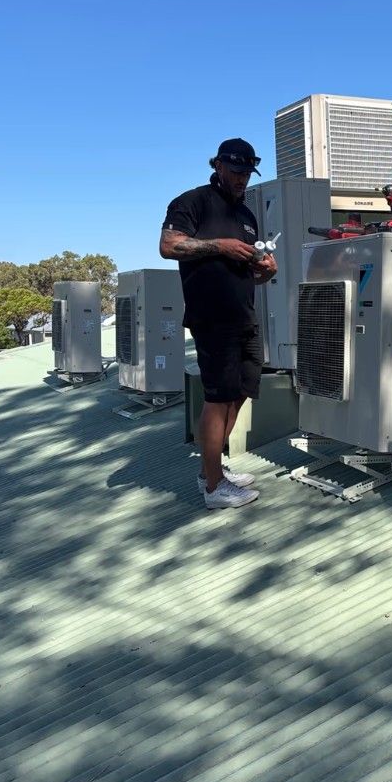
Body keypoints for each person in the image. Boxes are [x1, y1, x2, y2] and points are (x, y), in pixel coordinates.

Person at [159, 138, 278, 509]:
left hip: (245, 316)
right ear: (218, 166)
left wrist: (265, 271)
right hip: (212, 317)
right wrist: (220, 246)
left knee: (241, 390)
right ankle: (213, 489)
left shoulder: (246, 215)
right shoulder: (191, 202)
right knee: (217, 398)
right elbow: (169, 245)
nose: (242, 180)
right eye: (237, 172)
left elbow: (248, 274)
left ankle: (212, 470)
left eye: (247, 173)